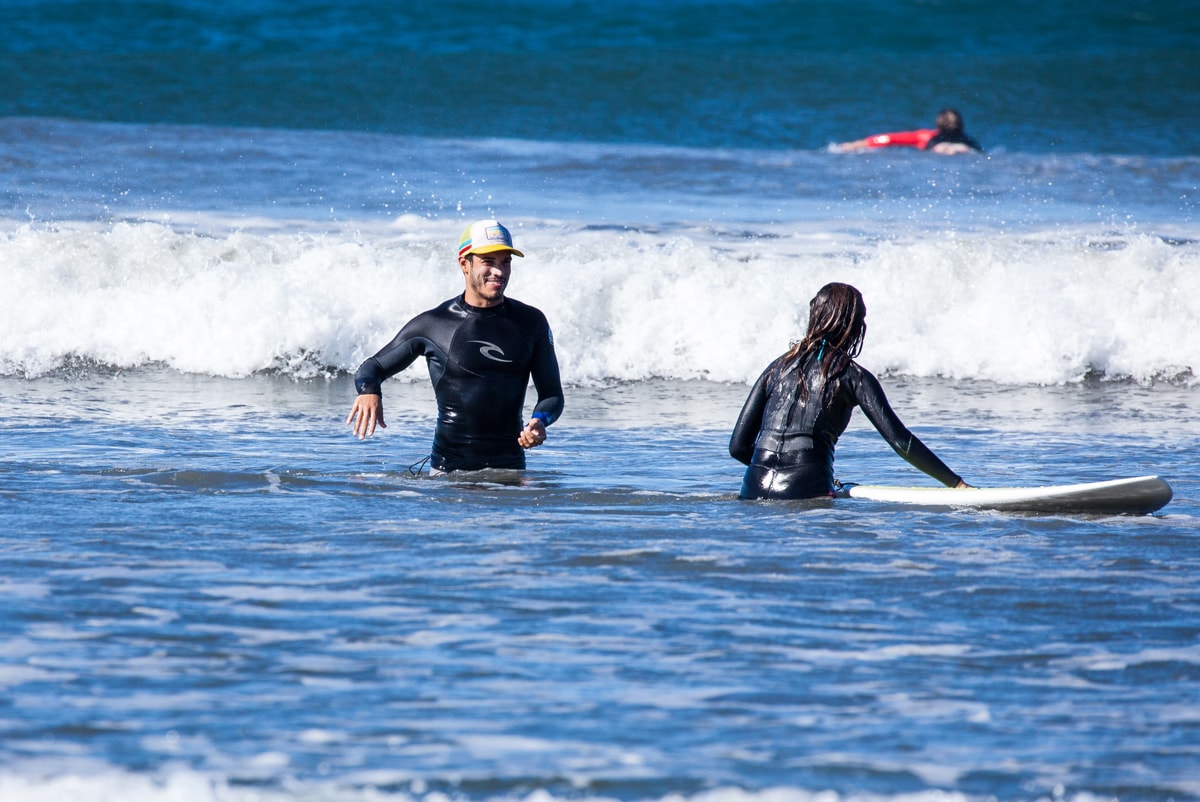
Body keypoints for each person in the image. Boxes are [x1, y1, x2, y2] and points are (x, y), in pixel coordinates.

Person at [346, 219, 564, 473]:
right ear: (464, 264)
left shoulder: (530, 322)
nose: (499, 271)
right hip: (448, 476)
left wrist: (540, 421)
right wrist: (369, 390)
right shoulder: (435, 324)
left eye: (505, 262)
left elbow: (552, 395)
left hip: (510, 474)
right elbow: (373, 367)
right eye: (488, 262)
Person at [729, 282, 969, 500]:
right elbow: (900, 441)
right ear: (853, 326)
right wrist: (956, 484)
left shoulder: (775, 369)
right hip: (807, 490)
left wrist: (772, 470)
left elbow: (738, 447)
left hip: (753, 488)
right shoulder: (853, 376)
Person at [835, 108, 983, 154]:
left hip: (938, 147)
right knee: (960, 150)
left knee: (942, 149)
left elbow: (888, 139)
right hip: (963, 148)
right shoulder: (969, 140)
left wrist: (857, 144)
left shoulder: (925, 136)